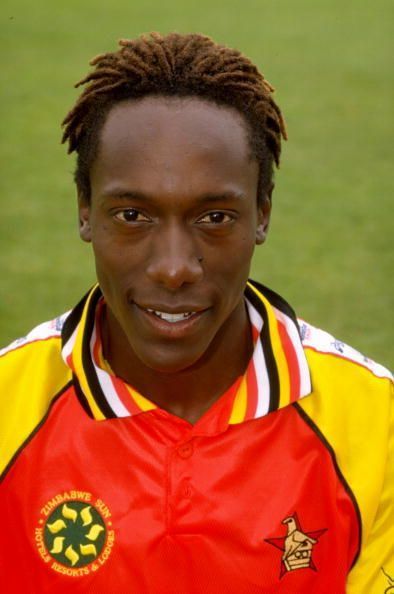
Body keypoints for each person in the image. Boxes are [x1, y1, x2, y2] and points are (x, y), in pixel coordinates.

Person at [0, 33, 392, 594]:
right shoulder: (9, 409)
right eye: (132, 214)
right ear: (85, 211)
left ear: (262, 213)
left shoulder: (376, 424)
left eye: (214, 217)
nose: (174, 269)